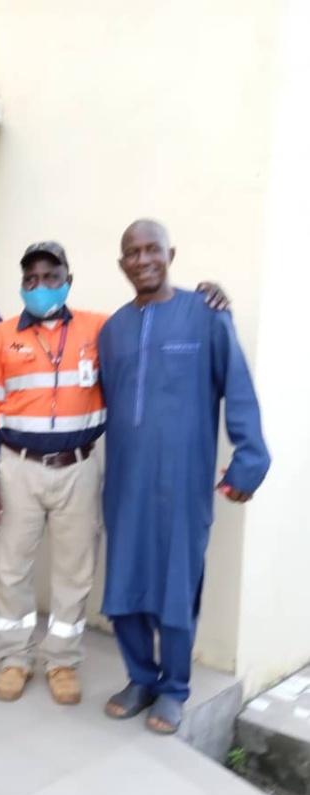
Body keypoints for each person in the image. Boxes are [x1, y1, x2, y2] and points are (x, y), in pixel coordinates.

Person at [99, 219, 270, 735]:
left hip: (183, 485)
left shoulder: (206, 316)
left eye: (153, 249)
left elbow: (237, 390)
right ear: (122, 263)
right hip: (126, 484)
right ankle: (139, 678)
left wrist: (249, 461)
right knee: (124, 585)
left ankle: (174, 688)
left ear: (171, 253)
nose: (143, 259)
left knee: (177, 589)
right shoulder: (112, 330)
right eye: (132, 251)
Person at [0, 242, 107, 704]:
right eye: (30, 279)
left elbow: (146, 329)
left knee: (76, 571)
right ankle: (15, 658)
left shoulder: (98, 328)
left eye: (50, 277)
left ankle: (63, 662)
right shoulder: (2, 336)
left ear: (67, 280)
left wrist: (206, 298)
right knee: (11, 569)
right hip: (18, 467)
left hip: (80, 467)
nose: (40, 286)